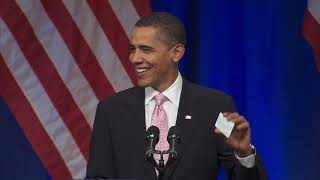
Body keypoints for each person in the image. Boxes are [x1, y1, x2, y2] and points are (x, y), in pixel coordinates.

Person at [86, 12, 267, 180]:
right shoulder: (111, 110)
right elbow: (98, 176)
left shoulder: (215, 106)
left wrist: (244, 154)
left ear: (176, 53)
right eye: (133, 49)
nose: (134, 58)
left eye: (146, 50)